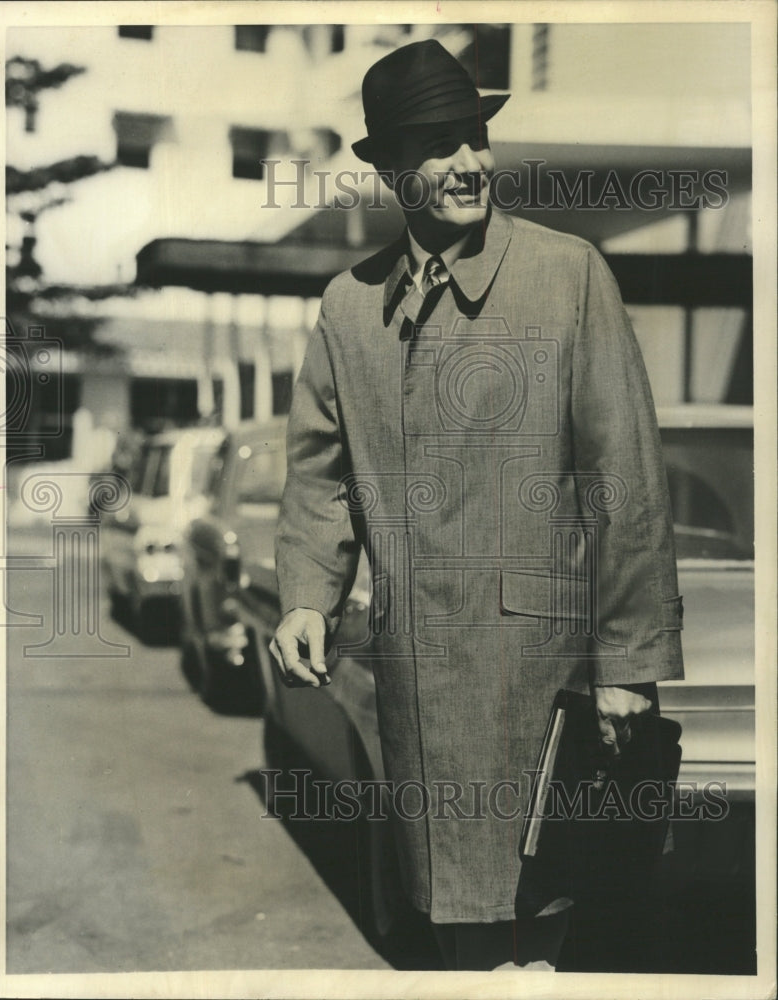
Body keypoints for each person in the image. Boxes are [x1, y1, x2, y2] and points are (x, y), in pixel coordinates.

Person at [270, 38, 684, 971]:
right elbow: (319, 471)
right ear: (390, 169)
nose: (466, 164)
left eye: (474, 139)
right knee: (452, 934)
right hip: (416, 680)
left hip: (538, 688)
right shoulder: (348, 305)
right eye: (436, 145)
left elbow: (626, 485)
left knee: (541, 931)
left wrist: (627, 660)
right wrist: (308, 592)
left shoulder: (566, 275)